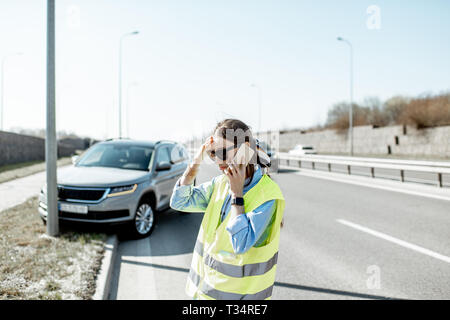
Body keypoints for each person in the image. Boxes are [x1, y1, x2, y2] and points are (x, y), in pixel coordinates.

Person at [170, 119, 285, 300]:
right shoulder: (220, 184)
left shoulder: (268, 196)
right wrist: (194, 166)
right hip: (202, 295)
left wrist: (236, 195)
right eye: (213, 153)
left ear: (245, 150)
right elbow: (179, 202)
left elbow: (240, 244)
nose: (217, 160)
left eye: (223, 152)